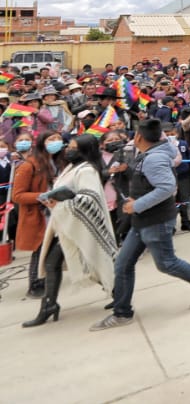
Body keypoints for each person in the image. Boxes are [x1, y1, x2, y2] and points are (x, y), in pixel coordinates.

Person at [93, 118, 190, 331]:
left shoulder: (154, 158)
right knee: (123, 264)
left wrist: (137, 205)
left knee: (166, 263)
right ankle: (122, 312)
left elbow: (167, 187)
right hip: (143, 220)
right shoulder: (154, 152)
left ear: (139, 137)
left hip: (156, 219)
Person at [23, 134, 116, 327]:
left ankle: (119, 294)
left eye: (73, 147)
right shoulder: (73, 167)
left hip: (80, 227)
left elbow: (89, 199)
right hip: (65, 225)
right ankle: (49, 305)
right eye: (69, 146)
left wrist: (62, 201)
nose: (68, 150)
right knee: (53, 264)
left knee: (94, 262)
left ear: (83, 150)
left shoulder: (87, 170)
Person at [12, 130, 62, 297]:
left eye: (58, 139)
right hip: (39, 214)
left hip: (56, 211)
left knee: (51, 249)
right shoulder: (28, 165)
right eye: (51, 139)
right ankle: (35, 284)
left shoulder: (56, 161)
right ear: (41, 142)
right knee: (40, 249)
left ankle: (48, 280)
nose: (56, 142)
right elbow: (17, 195)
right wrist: (41, 197)